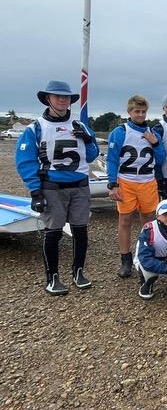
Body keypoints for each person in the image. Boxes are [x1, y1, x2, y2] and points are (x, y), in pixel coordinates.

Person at [15, 81, 99, 295]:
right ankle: (52, 278)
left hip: (79, 186)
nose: (62, 100)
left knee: (80, 231)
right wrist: (35, 191)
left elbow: (91, 156)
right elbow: (25, 162)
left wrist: (89, 141)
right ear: (48, 99)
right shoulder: (36, 128)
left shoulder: (80, 125)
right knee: (53, 232)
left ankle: (78, 272)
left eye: (66, 97)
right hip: (52, 187)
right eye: (57, 96)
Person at [107, 95, 166, 278]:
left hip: (148, 181)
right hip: (126, 181)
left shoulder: (152, 133)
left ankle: (146, 254)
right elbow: (112, 159)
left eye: (143, 111)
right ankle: (125, 259)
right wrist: (112, 184)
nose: (140, 115)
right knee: (125, 220)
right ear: (129, 112)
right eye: (136, 111)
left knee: (149, 221)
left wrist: (154, 142)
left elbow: (161, 159)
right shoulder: (120, 132)